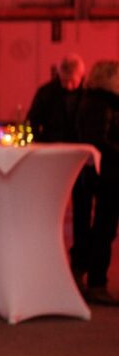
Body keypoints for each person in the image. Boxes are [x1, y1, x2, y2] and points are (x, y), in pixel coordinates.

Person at [27, 54, 93, 279]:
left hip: (79, 158)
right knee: (49, 208)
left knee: (83, 210)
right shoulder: (46, 93)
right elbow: (32, 121)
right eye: (64, 81)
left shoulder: (88, 94)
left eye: (72, 81)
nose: (68, 86)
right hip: (53, 157)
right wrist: (42, 144)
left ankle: (79, 262)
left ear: (81, 76)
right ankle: (46, 257)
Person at [74, 60, 119, 306]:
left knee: (102, 228)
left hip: (107, 173)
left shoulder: (100, 101)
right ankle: (96, 283)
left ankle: (88, 275)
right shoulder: (100, 103)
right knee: (104, 228)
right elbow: (98, 141)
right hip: (107, 175)